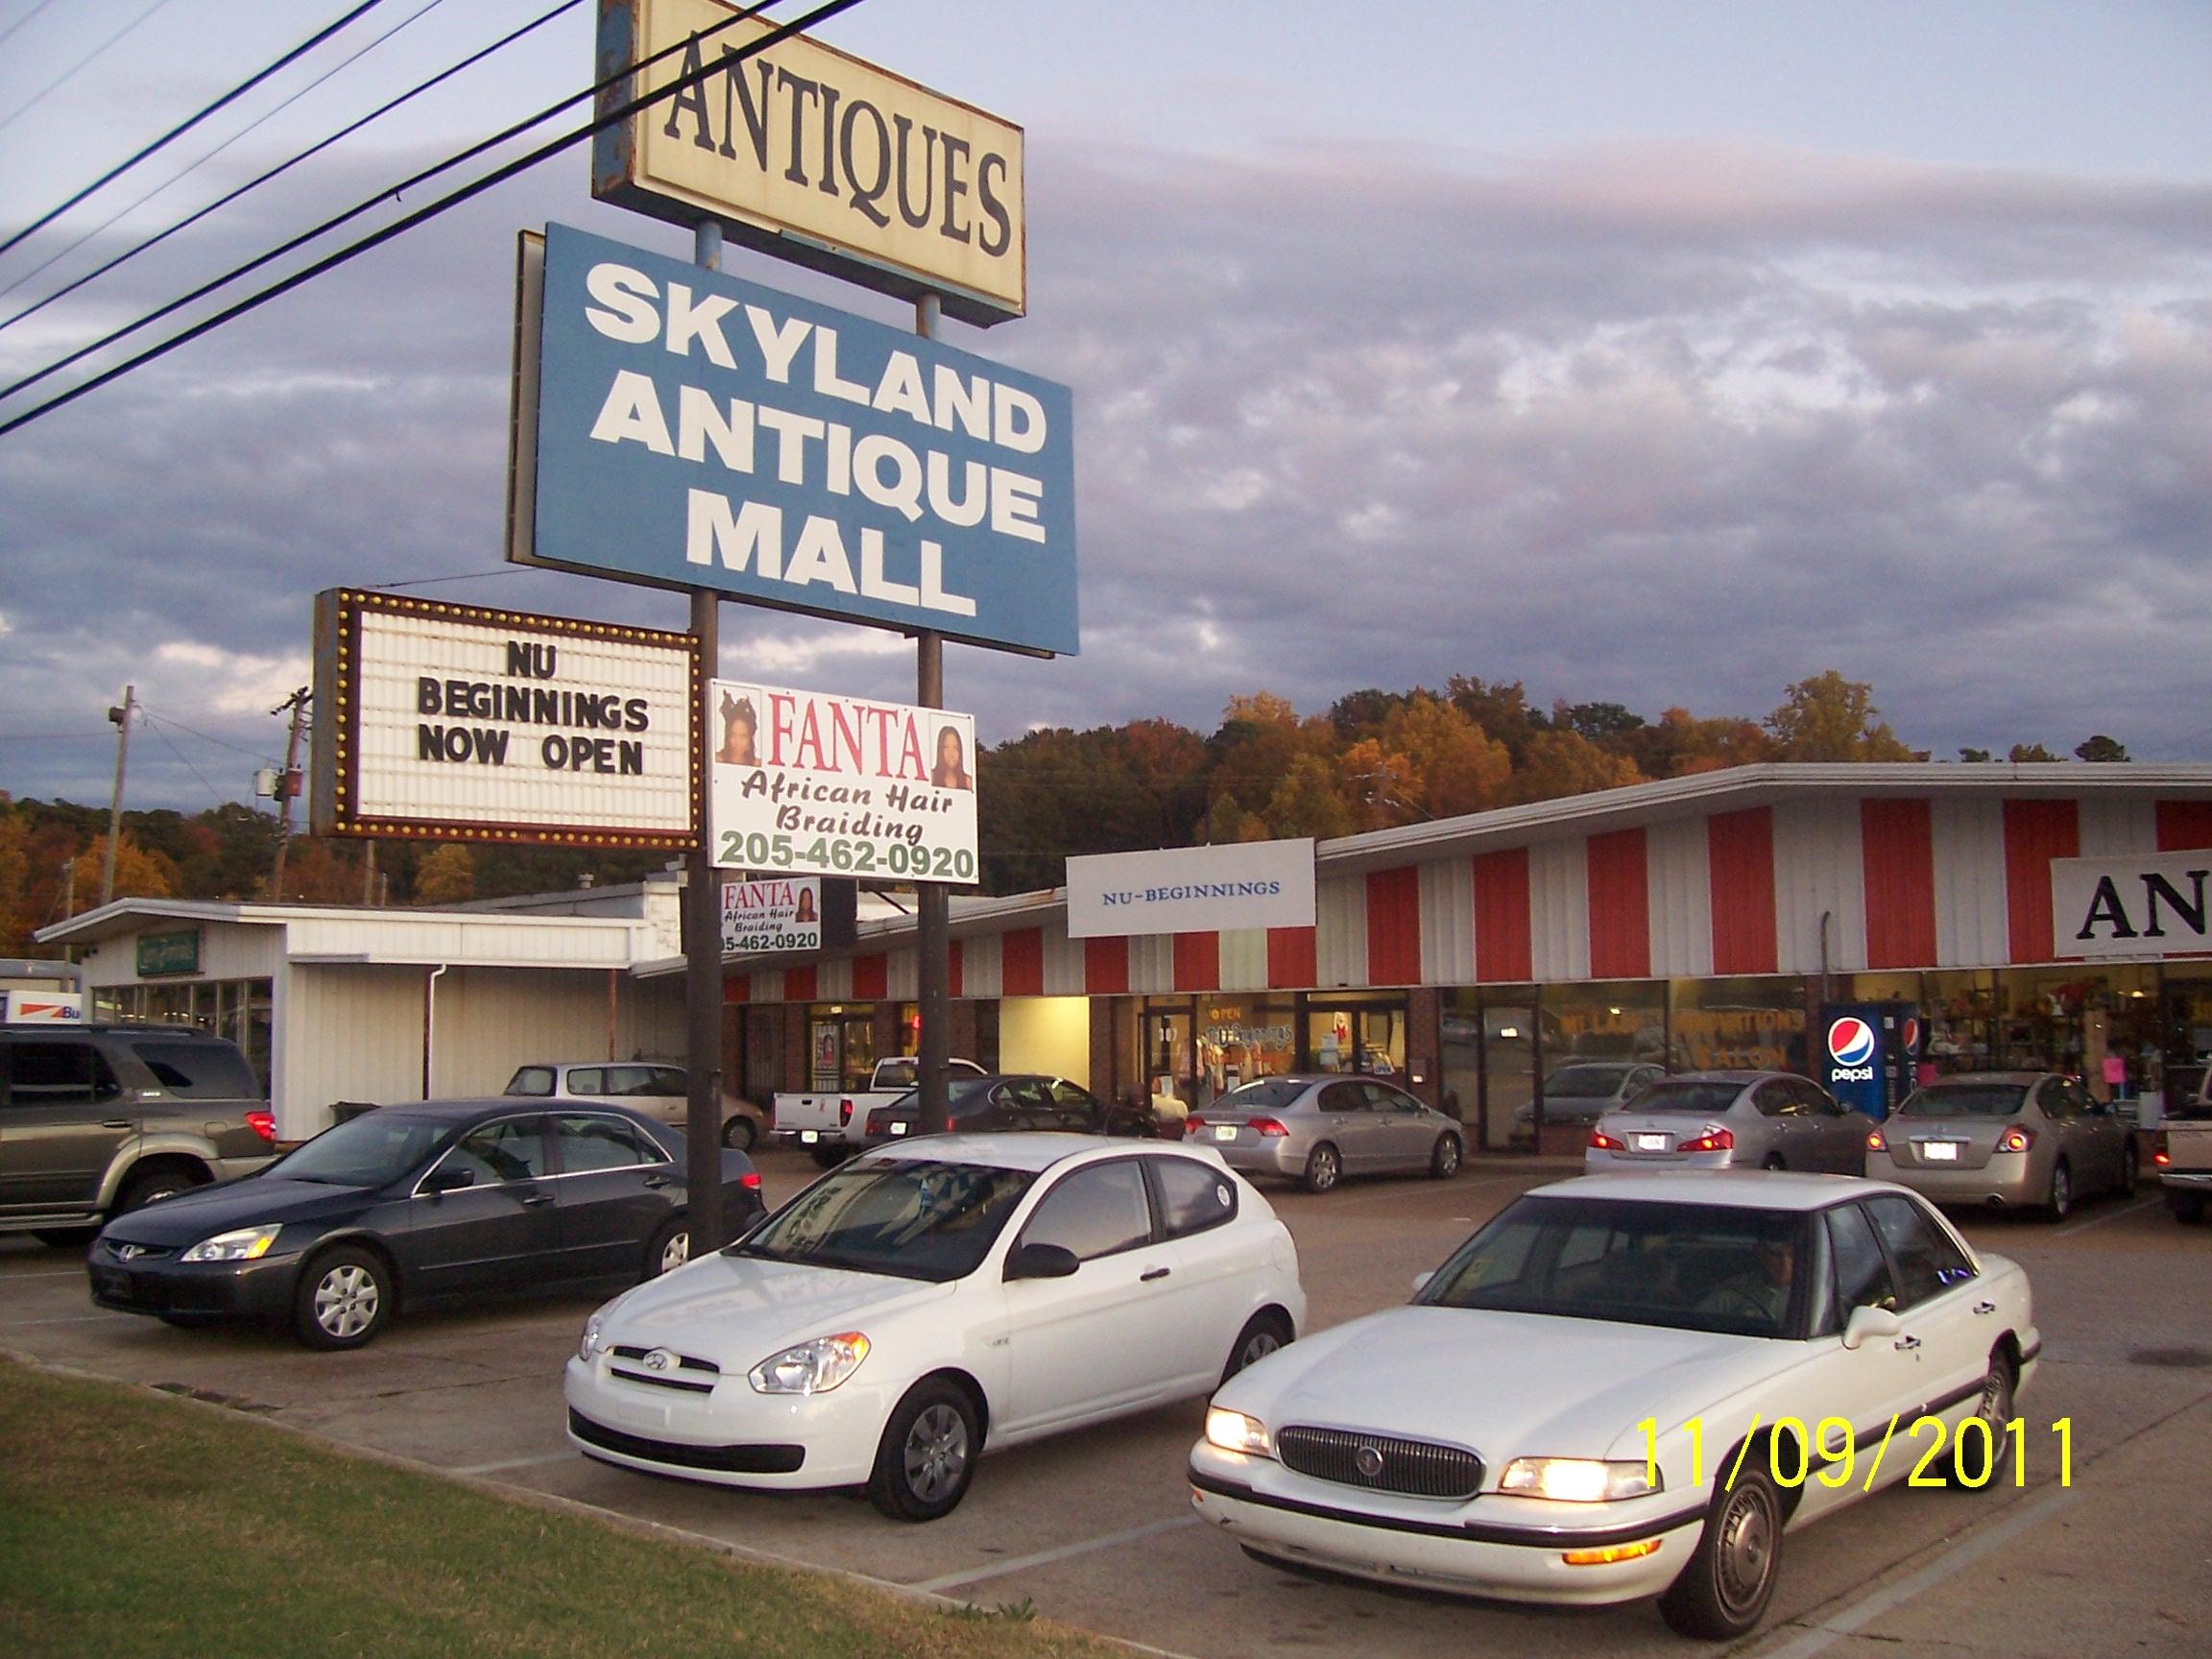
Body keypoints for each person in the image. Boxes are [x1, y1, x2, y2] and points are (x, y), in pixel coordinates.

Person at [718, 692, 758, 765]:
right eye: (733, 735)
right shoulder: (717, 760)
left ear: (750, 739)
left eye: (743, 736)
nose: (737, 742)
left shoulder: (757, 764)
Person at [931, 725, 973, 789]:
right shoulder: (932, 777)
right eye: (946, 747)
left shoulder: (968, 782)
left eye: (955, 748)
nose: (951, 754)